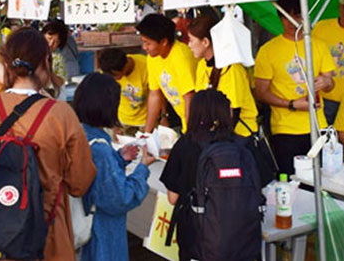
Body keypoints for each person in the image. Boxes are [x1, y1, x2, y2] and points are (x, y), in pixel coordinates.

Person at [0, 27, 97, 261]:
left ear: (6, 63)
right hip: (45, 231)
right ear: (45, 62)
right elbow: (79, 182)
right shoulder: (60, 114)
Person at [73, 73, 154, 261]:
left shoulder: (81, 133)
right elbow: (120, 199)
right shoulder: (100, 148)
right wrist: (142, 167)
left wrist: (118, 158)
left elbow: (95, 178)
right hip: (102, 232)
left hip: (84, 224)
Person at [254, 0, 336, 175]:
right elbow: (261, 92)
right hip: (285, 129)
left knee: (322, 178)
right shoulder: (268, 51)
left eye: (298, 16)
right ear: (281, 18)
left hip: (318, 125)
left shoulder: (319, 46)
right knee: (291, 180)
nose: (293, 22)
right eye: (287, 17)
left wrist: (326, 81)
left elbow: (331, 85)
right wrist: (292, 104)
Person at [160, 89, 235, 261]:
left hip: (196, 234)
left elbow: (173, 198)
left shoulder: (186, 144)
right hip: (235, 232)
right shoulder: (239, 143)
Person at [187, 13, 259, 137]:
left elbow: (233, 113)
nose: (189, 45)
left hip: (240, 136)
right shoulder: (201, 66)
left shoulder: (232, 68)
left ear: (205, 42)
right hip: (216, 135)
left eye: (192, 40)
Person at [136, 14, 197, 133]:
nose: (144, 47)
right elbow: (155, 95)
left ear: (164, 41)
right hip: (184, 120)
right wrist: (147, 133)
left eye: (148, 43)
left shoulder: (181, 56)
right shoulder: (152, 57)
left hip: (197, 123)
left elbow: (190, 97)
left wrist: (190, 134)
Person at [98, 47, 148, 135]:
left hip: (146, 120)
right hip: (122, 120)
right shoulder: (108, 69)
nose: (114, 79)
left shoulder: (146, 65)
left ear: (125, 66)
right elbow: (106, 98)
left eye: (116, 75)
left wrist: (163, 116)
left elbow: (156, 94)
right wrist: (113, 124)